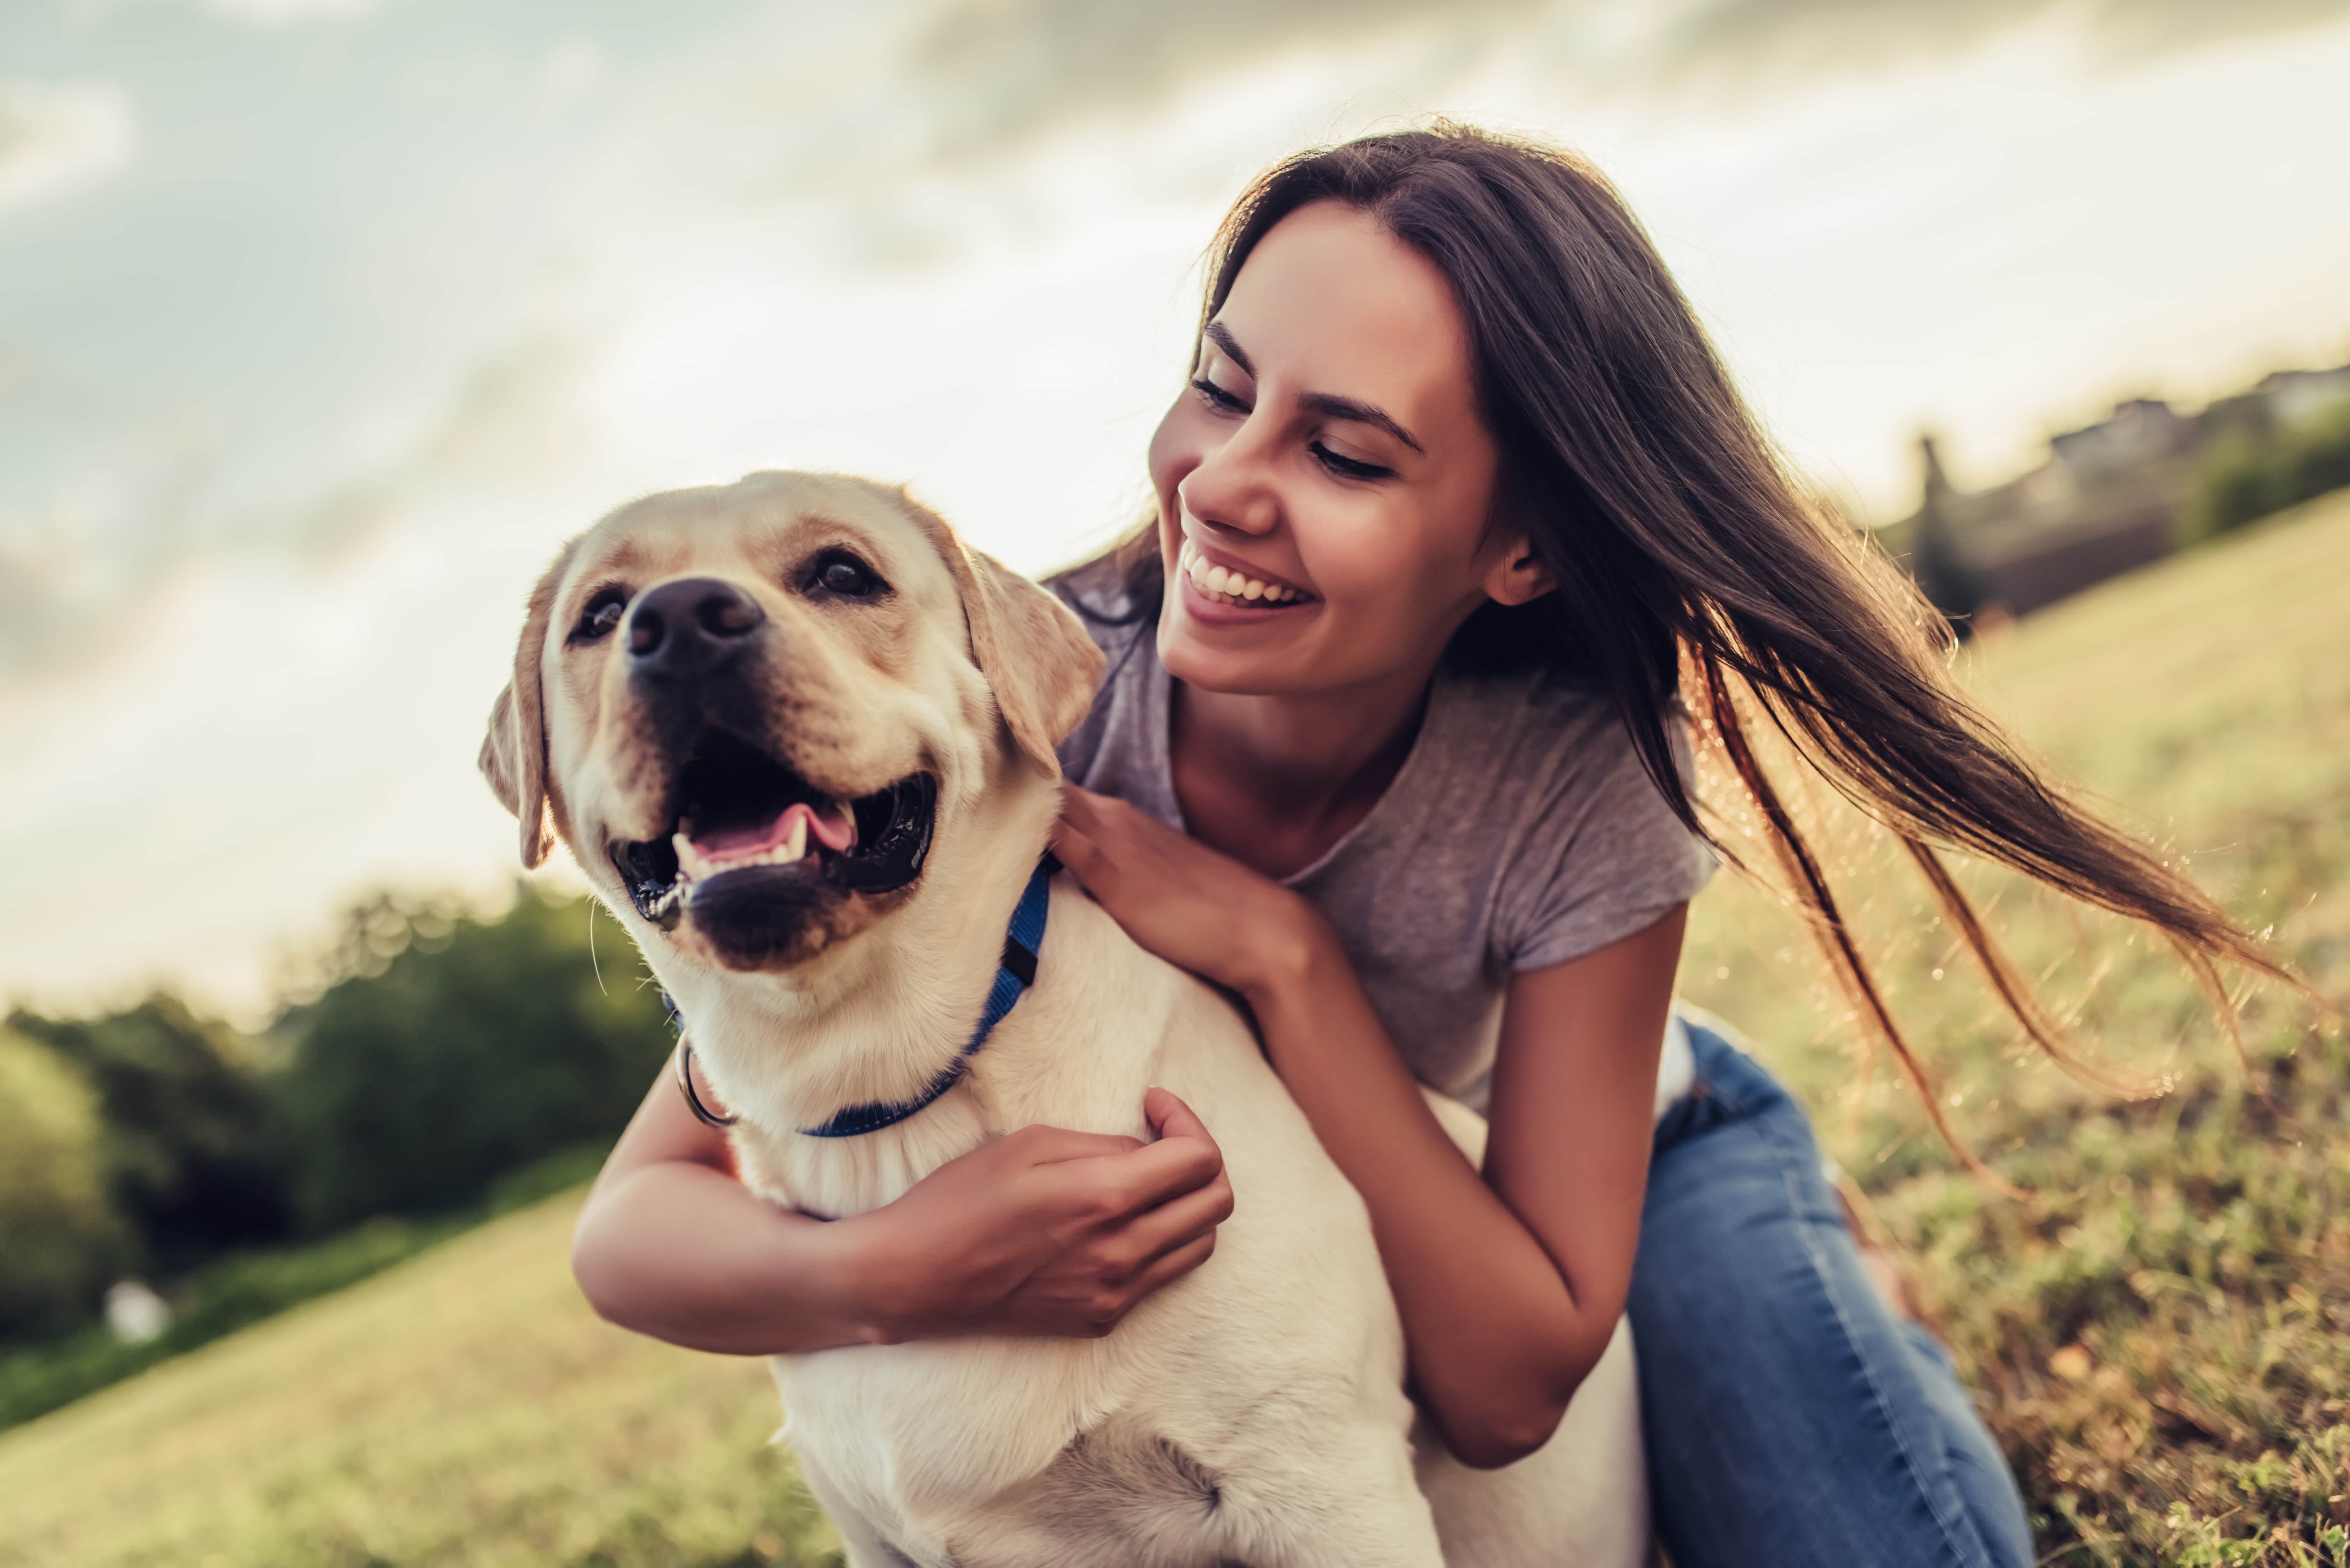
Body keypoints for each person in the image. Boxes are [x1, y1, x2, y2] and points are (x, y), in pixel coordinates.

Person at [571, 124, 2283, 1567]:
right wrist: (904, 1267)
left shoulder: (1581, 779)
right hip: (1334, 1249)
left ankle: (1833, 1275)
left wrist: (1283, 957)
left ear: (1518, 546)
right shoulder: (1008, 702)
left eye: (1346, 450)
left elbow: (1505, 1384)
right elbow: (640, 1218)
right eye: (1221, 391)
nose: (1226, 485)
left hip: (1623, 1175)